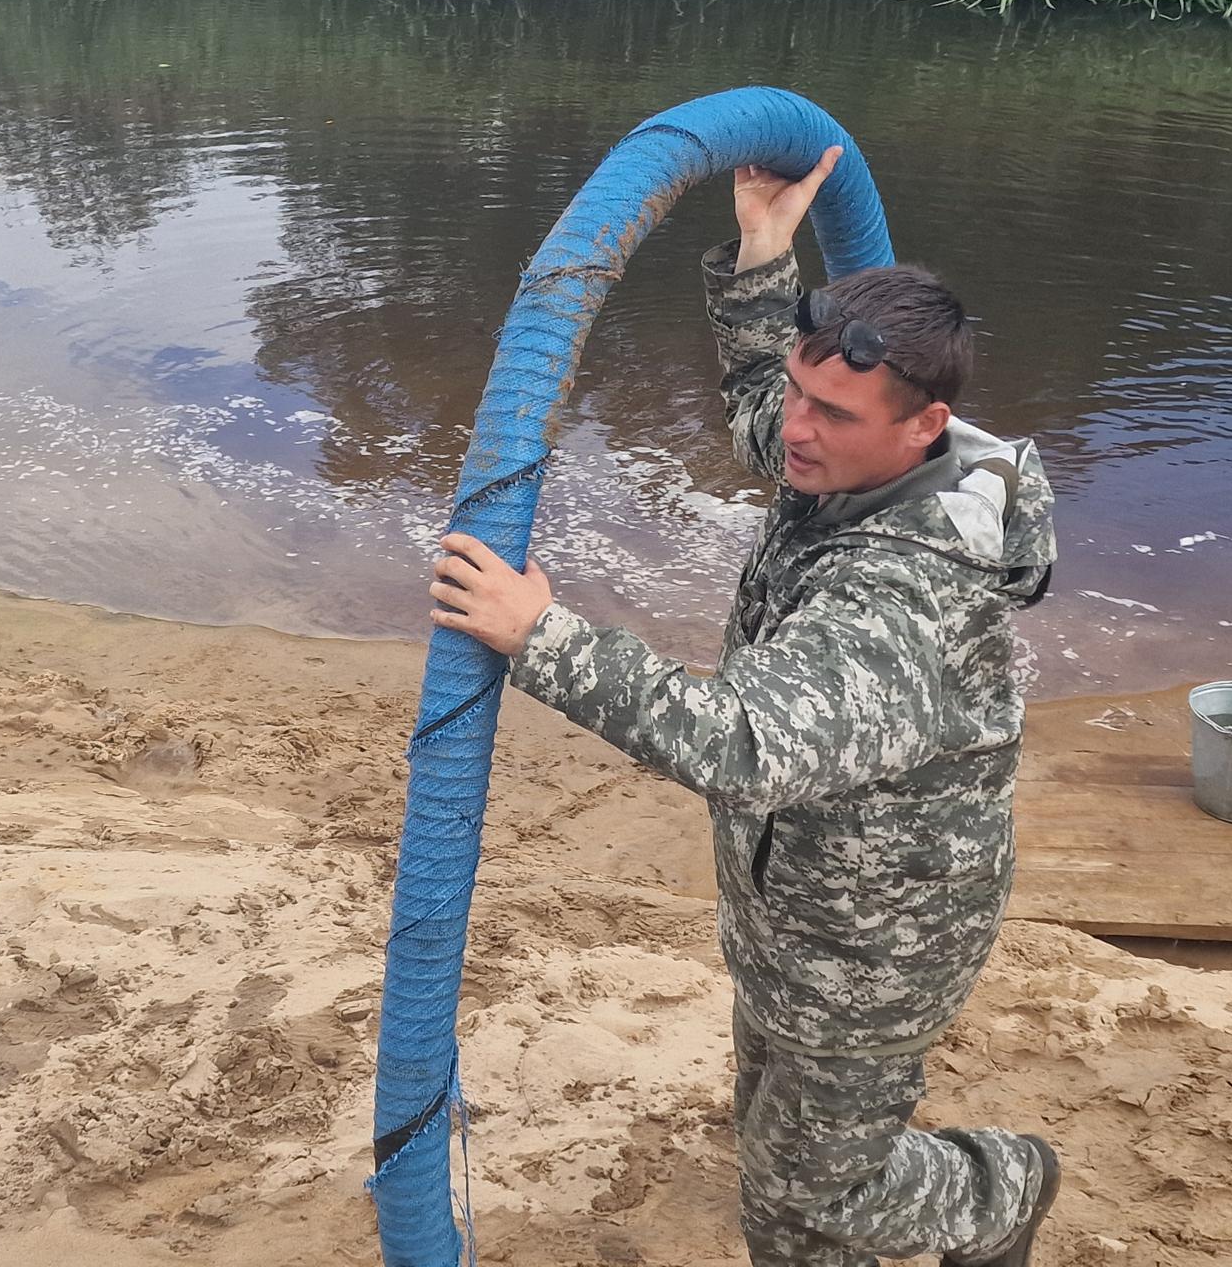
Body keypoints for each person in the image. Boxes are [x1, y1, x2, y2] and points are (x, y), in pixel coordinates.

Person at [427, 146, 1061, 1266]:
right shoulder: (859, 461)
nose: (797, 431)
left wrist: (543, 637)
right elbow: (766, 405)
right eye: (804, 395)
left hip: (874, 945)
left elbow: (745, 745)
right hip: (795, 907)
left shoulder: (903, 592)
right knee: (779, 1154)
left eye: (833, 413)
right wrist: (766, 255)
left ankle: (1001, 1185)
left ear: (924, 427)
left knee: (817, 1200)